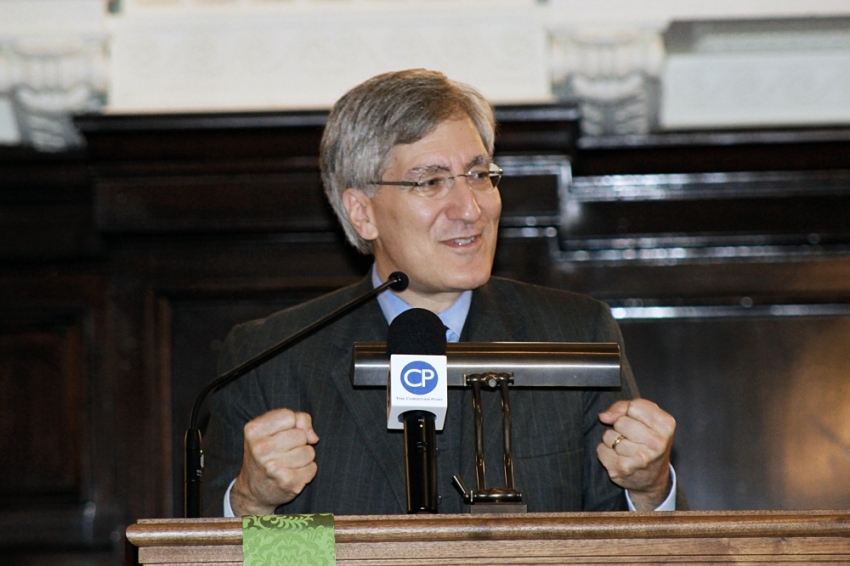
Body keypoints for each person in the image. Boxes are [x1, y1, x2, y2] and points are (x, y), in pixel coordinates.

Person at [203, 69, 681, 517]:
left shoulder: (576, 333)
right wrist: (252, 503)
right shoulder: (271, 358)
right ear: (362, 212)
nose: (470, 209)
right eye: (431, 181)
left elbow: (612, 550)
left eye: (478, 175)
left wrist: (648, 490)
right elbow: (267, 560)